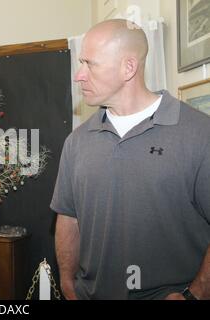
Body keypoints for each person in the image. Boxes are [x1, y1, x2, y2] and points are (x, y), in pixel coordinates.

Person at [51, 19, 209, 300]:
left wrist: (196, 293)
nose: (79, 75)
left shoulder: (200, 133)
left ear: (129, 67)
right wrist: (67, 285)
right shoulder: (76, 141)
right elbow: (68, 218)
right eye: (80, 63)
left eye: (90, 64)